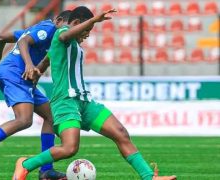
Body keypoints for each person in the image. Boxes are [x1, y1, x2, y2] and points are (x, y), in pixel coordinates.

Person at [12, 6, 177, 180]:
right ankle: (25, 165)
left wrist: (36, 72)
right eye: (87, 29)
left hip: (85, 101)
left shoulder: (70, 45)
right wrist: (92, 20)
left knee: (120, 133)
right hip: (66, 101)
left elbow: (47, 59)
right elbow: (63, 35)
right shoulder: (63, 32)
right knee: (69, 148)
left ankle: (148, 176)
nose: (88, 34)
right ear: (76, 23)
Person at [0, 11, 71, 179]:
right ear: (58, 20)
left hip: (21, 76)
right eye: (67, 26)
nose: (67, 31)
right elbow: (22, 41)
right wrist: (28, 64)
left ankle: (46, 171)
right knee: (24, 119)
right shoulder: (48, 29)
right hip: (15, 73)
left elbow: (1, 37)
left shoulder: (39, 31)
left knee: (51, 116)